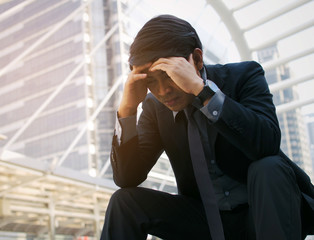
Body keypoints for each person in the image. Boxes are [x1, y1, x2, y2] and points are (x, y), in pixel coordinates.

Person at [101, 14, 314, 240]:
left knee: (268, 166)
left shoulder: (244, 75)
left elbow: (267, 143)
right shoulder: (155, 108)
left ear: (197, 59)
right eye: (151, 81)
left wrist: (203, 93)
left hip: (264, 211)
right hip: (205, 221)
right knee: (123, 202)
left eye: (169, 75)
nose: (163, 91)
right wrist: (127, 109)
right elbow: (127, 178)